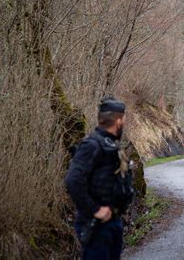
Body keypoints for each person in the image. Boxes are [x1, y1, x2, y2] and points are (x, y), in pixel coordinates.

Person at [65, 97, 134, 260]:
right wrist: (95, 210)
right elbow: (72, 180)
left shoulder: (111, 144)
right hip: (97, 226)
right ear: (118, 121)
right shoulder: (92, 145)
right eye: (123, 120)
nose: (123, 123)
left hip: (113, 222)